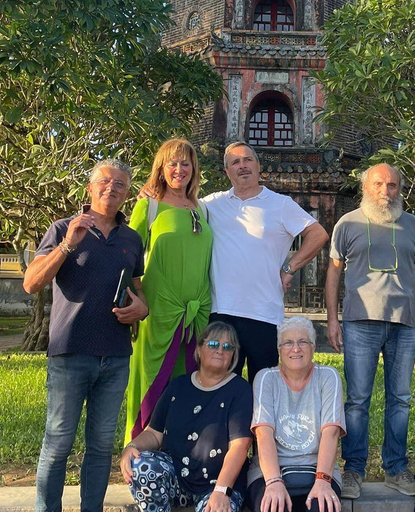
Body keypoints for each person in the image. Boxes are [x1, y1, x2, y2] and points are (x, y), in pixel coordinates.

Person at [141, 141, 329, 384]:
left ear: (259, 166)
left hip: (264, 314)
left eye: (248, 160)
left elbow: (318, 234)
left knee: (263, 387)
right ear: (226, 172)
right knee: (218, 384)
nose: (242, 166)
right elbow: (178, 203)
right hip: (221, 312)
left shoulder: (281, 204)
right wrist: (152, 193)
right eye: (235, 162)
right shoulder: (210, 205)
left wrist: (289, 268)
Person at [23, 159, 149, 512]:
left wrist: (142, 309)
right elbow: (31, 283)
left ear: (127, 193)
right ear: (90, 189)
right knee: (58, 443)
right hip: (70, 353)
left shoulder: (131, 238)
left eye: (120, 184)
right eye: (105, 182)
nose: (112, 188)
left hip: (115, 355)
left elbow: (139, 293)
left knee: (100, 446)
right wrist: (66, 245)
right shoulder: (64, 227)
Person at [325, 163, 415, 498]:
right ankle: (353, 469)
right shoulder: (347, 224)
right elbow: (333, 275)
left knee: (400, 400)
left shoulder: (413, 225)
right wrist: (332, 319)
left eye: (392, 185)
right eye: (379, 184)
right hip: (360, 322)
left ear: (399, 188)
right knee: (357, 400)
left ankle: (396, 468)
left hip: (405, 323)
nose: (385, 192)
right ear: (365, 187)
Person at [125, 139, 213, 444]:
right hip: (158, 311)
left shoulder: (203, 208)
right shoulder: (148, 205)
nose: (179, 169)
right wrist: (136, 301)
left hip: (197, 313)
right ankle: (139, 452)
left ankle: (182, 449)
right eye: (172, 163)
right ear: (161, 169)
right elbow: (128, 256)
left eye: (185, 163)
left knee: (190, 383)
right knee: (152, 381)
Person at [121, 321, 253, 512]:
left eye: (227, 347)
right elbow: (154, 433)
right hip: (177, 478)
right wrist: (131, 447)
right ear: (199, 349)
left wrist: (222, 490)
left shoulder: (240, 390)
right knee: (141, 465)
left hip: (217, 485)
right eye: (214, 344)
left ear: (234, 354)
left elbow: (240, 446)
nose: (220, 351)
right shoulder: (178, 386)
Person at [248, 316, 345, 512]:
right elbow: (263, 434)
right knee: (273, 507)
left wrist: (323, 480)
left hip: (317, 469)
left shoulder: (328, 376)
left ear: (314, 347)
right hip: (270, 472)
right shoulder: (265, 378)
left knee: (323, 507)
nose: (295, 349)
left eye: (303, 342)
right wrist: (274, 482)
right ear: (278, 350)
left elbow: (331, 432)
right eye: (288, 343)